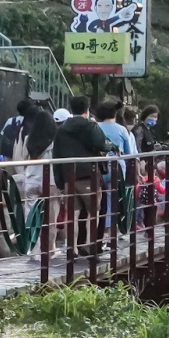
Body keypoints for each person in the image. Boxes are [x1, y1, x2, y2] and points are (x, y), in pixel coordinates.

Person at [53, 95, 110, 247]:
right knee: (93, 213)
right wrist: (111, 147)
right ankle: (91, 246)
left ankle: (73, 248)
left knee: (74, 214)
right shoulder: (90, 126)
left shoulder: (61, 130)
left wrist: (59, 180)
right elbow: (101, 144)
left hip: (68, 176)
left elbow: (56, 155)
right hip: (88, 175)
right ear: (87, 109)